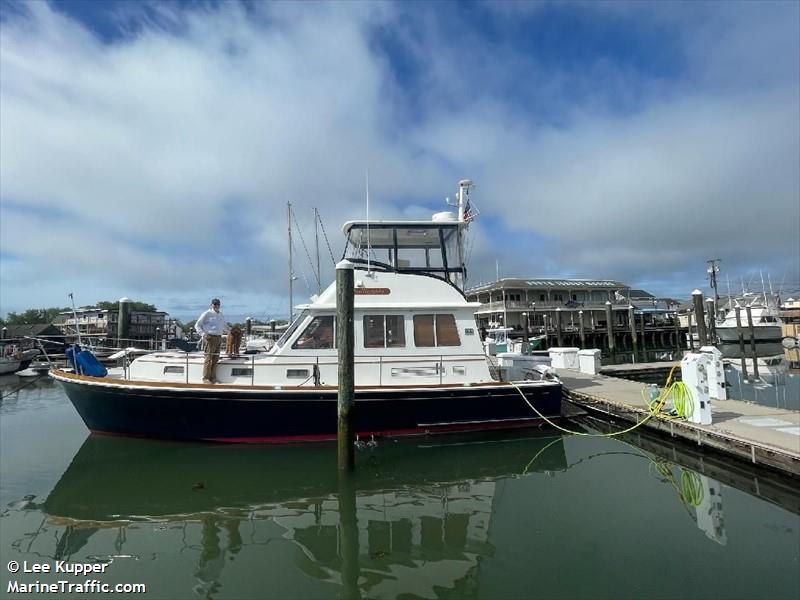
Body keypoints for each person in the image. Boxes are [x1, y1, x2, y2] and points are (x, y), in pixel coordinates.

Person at [195, 298, 229, 383]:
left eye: (218, 304)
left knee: (215, 359)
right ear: (211, 305)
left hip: (218, 338)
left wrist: (231, 332)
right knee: (208, 359)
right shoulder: (207, 313)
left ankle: (213, 378)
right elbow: (197, 325)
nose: (216, 306)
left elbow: (224, 326)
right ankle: (206, 378)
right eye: (214, 304)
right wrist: (203, 334)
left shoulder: (221, 314)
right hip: (209, 337)